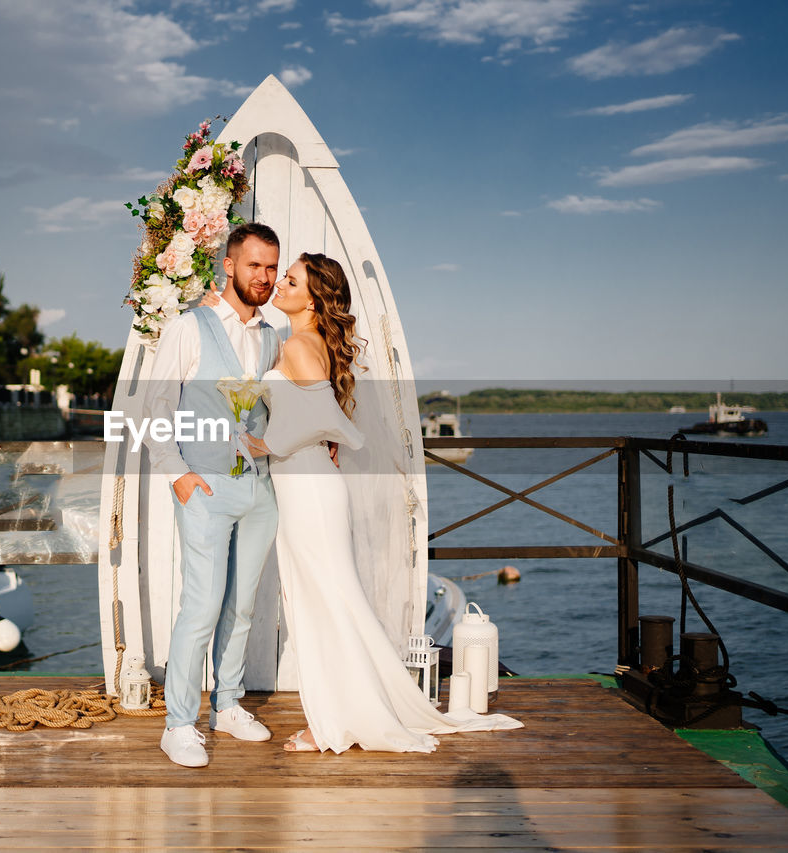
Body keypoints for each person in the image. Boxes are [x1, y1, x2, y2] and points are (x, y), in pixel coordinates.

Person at [242, 252, 523, 753]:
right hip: (306, 485)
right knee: (327, 603)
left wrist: (270, 445)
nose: (280, 284)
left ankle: (332, 722)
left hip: (308, 488)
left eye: (291, 279)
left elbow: (333, 423)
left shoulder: (301, 347)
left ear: (313, 296)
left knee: (324, 606)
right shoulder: (303, 343)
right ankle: (341, 712)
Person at [142, 222, 282, 768]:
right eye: (254, 266)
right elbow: (156, 406)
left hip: (259, 490)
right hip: (203, 485)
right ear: (229, 265)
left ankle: (227, 705)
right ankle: (179, 723)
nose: (264, 278)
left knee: (242, 605)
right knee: (200, 605)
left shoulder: (273, 337)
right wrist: (175, 472)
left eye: (272, 267)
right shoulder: (189, 328)